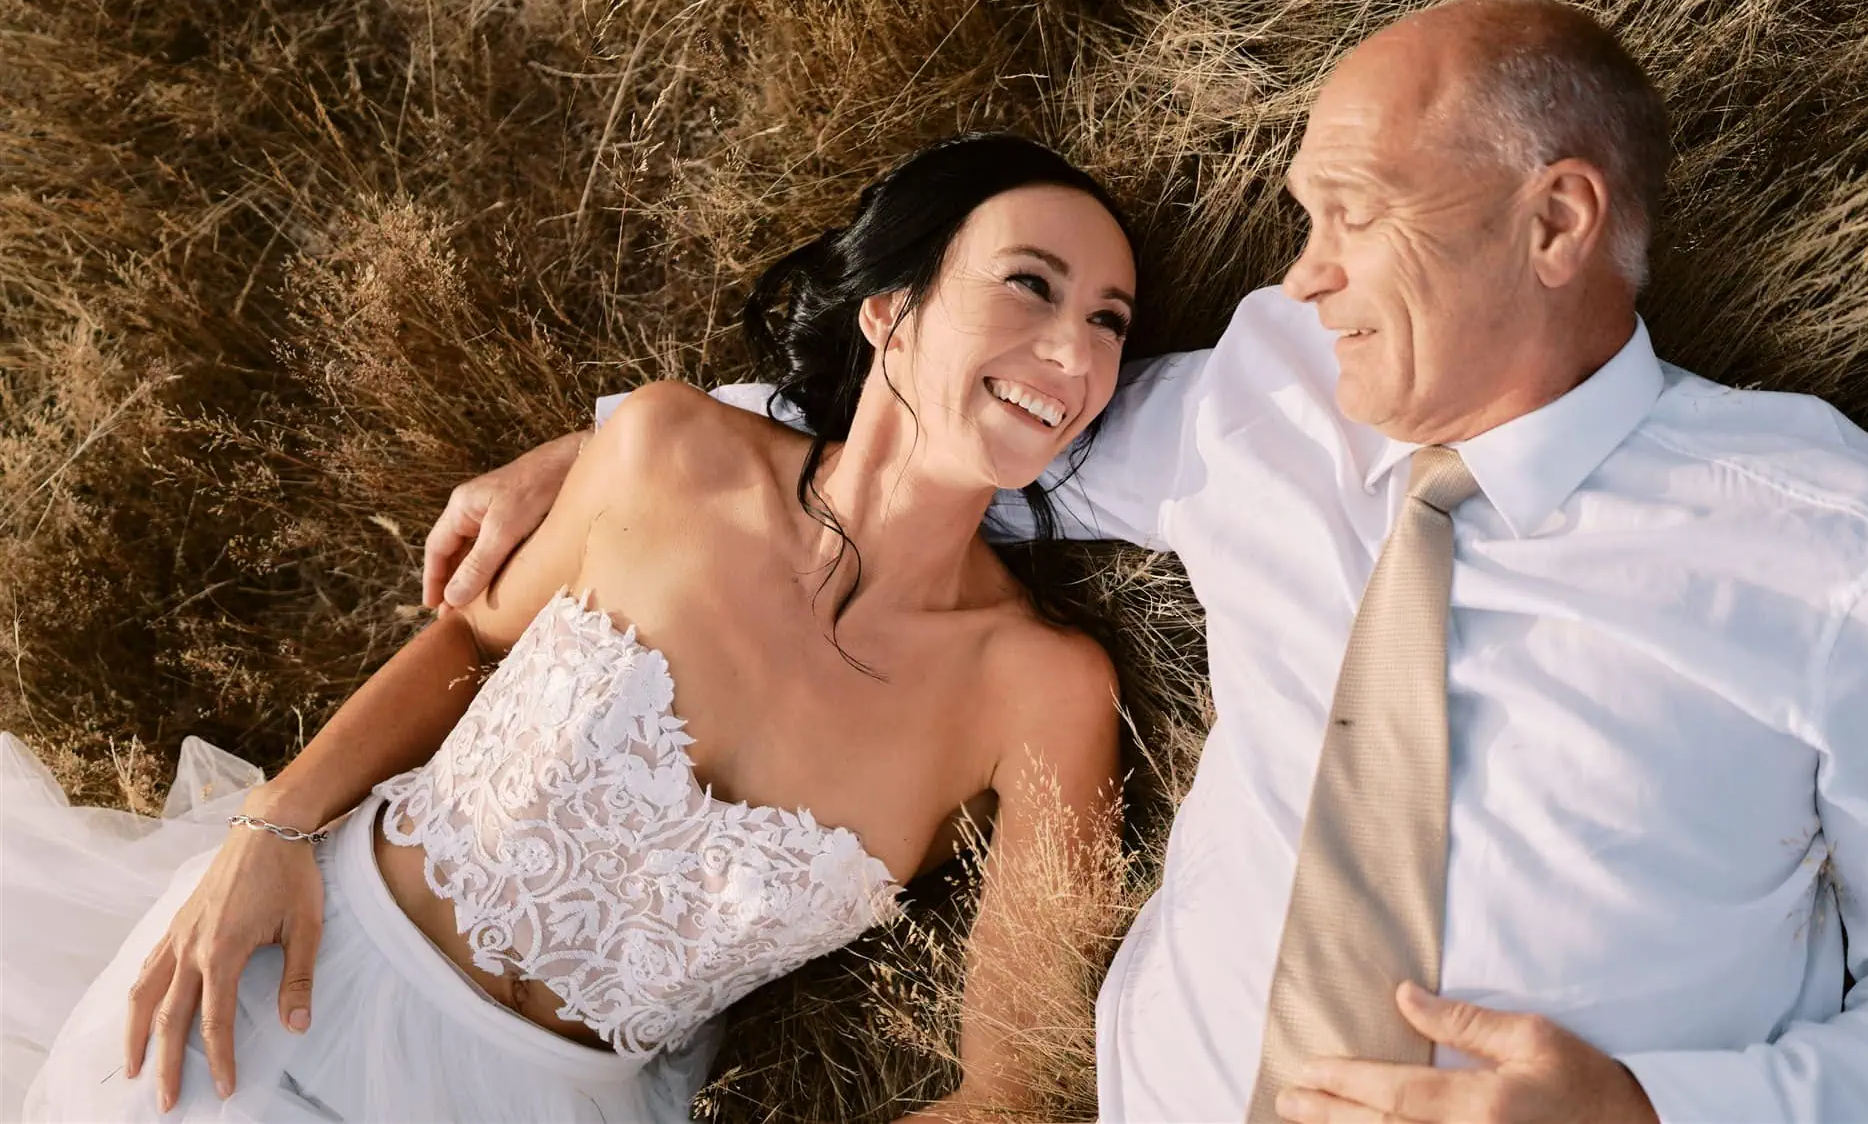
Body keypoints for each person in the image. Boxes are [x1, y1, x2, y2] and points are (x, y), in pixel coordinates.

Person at [438, 0, 1868, 1123]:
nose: (1306, 273)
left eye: (1351, 215)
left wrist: (1649, 1110)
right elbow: (966, 428)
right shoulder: (1273, 390)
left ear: (1555, 223)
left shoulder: (1819, 533)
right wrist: (636, 445)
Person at [0, 132, 1138, 1122]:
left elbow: (1013, 1081)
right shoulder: (672, 451)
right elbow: (470, 642)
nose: (1075, 353)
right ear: (889, 310)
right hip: (302, 962)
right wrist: (273, 826)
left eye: (1108, 321)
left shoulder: (1042, 691)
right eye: (1030, 285)